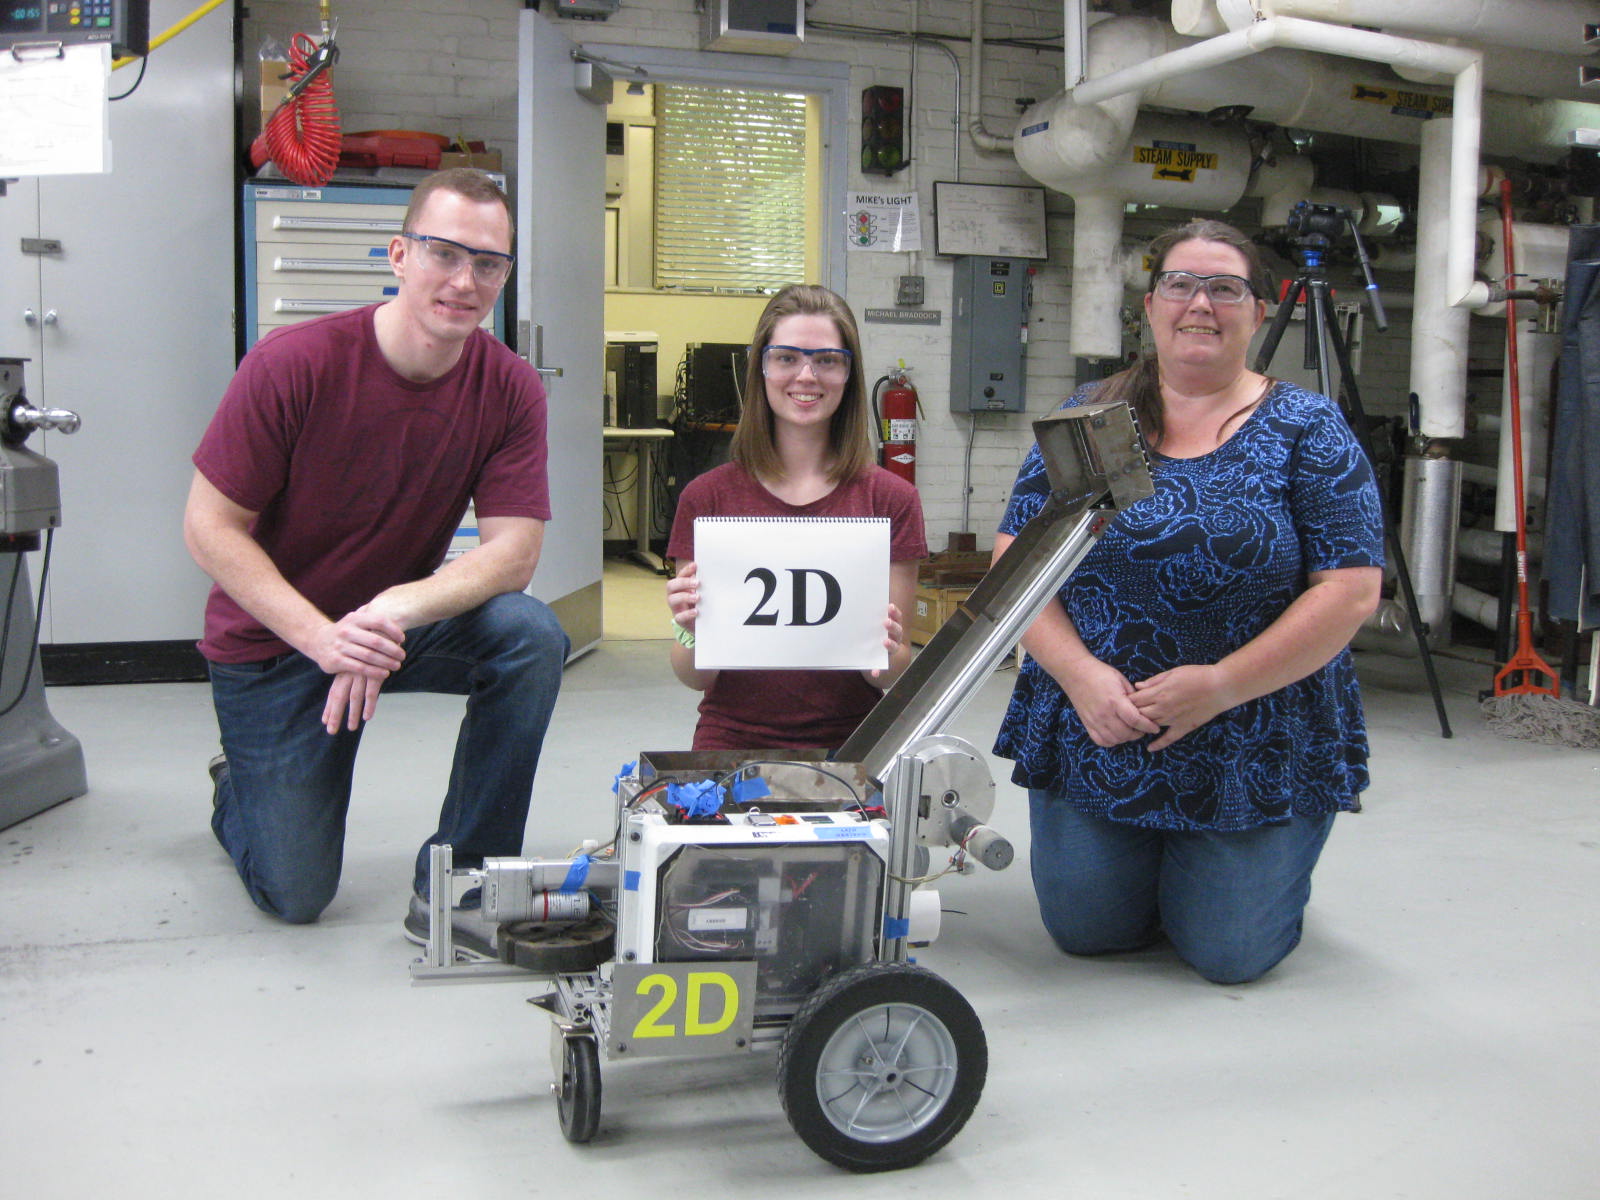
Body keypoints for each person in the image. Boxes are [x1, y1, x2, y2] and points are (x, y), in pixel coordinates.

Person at [183, 167, 568, 958]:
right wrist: (324, 639)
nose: (464, 281)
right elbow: (209, 528)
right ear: (399, 254)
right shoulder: (295, 363)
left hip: (390, 628)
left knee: (530, 635)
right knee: (296, 893)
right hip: (278, 643)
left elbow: (514, 552)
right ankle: (238, 792)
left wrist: (389, 609)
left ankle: (464, 877)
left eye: (487, 263)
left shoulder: (509, 388)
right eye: (443, 253)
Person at [993, 218, 1384, 985]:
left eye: (1225, 288)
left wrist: (1222, 685)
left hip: (1252, 731)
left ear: (1259, 312)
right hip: (1104, 723)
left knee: (1228, 953)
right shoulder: (1096, 417)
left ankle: (1240, 875)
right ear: (1151, 306)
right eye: (1180, 284)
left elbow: (1350, 591)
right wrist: (1079, 675)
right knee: (1088, 931)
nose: (1200, 303)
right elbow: (1018, 559)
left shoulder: (1307, 430)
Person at [664, 284, 927, 750]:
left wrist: (887, 650)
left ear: (848, 373)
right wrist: (690, 634)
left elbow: (892, 673)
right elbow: (695, 678)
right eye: (786, 358)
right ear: (761, 368)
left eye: (827, 360)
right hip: (732, 740)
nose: (806, 376)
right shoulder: (706, 499)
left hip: (854, 743)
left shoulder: (892, 500)